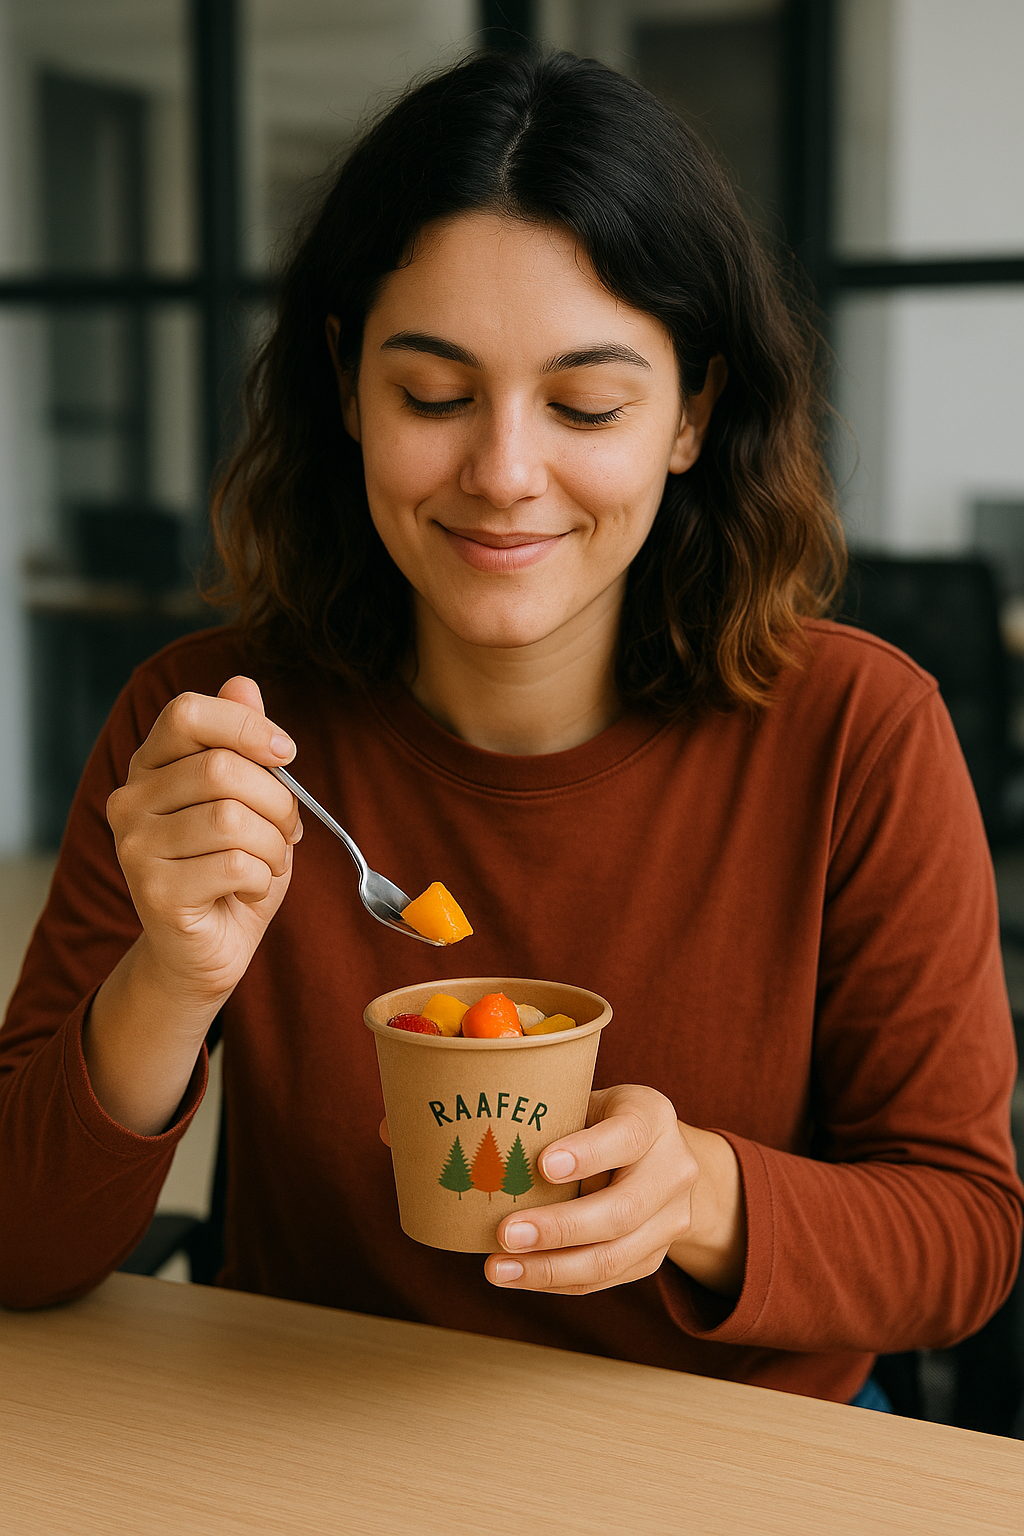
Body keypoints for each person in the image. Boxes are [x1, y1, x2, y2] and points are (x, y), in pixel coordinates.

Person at [0, 49, 1019, 1409]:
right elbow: (19, 1247)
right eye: (432, 396)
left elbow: (964, 1236)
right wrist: (169, 983)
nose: (504, 475)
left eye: (587, 405)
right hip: (314, 1442)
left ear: (693, 414)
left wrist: (705, 1197)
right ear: (347, 381)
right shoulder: (217, 736)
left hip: (734, 1457)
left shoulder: (856, 731)